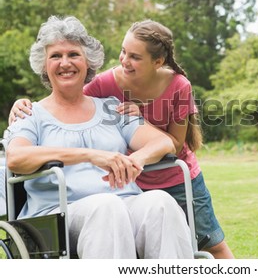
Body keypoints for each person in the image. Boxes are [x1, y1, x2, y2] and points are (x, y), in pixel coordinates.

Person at [10, 19, 234, 258]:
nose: (65, 63)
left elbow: (165, 143)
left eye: (74, 54)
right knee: (107, 206)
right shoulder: (30, 113)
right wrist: (89, 155)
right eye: (55, 56)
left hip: (124, 202)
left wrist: (137, 158)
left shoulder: (111, 108)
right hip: (60, 213)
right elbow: (16, 157)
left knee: (160, 203)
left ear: (88, 62)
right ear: (44, 65)